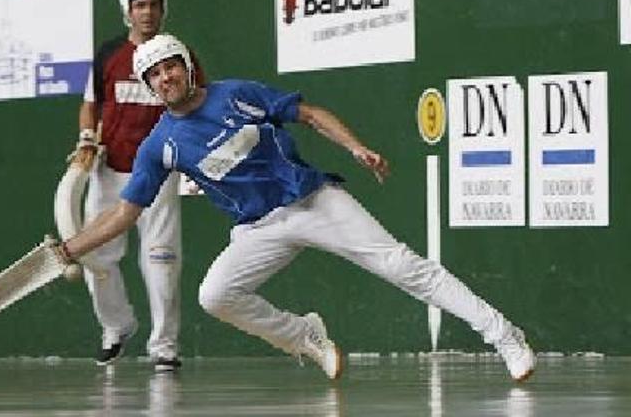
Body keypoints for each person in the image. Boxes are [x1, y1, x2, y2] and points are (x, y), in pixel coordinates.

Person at [56, 34, 536, 382]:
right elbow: (124, 214)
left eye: (171, 67)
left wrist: (355, 147)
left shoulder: (235, 94)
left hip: (312, 201)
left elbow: (308, 114)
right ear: (149, 85)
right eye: (155, 74)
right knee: (215, 296)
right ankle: (305, 336)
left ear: (186, 67)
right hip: (258, 229)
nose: (166, 78)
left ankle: (503, 335)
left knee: (403, 266)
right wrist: (70, 248)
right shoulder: (160, 145)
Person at [69, 0, 202, 372]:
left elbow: (199, 104)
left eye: (154, 4)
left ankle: (164, 346)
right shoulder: (109, 54)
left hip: (160, 172)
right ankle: (116, 327)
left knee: (161, 259)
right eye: (139, 5)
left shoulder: (179, 55)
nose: (147, 12)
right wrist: (87, 139)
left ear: (163, 10)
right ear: (127, 11)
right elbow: (90, 105)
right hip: (109, 171)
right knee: (96, 255)